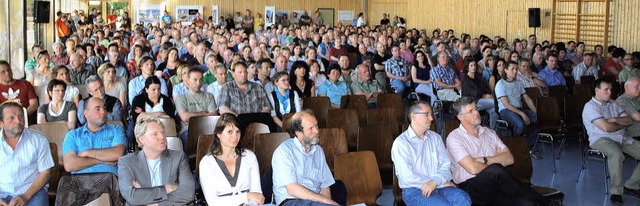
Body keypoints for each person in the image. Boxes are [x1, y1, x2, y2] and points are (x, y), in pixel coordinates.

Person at [446, 97, 554, 205]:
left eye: (476, 109)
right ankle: (544, 202)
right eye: (471, 111)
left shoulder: (489, 132)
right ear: (460, 117)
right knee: (495, 169)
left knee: (527, 203)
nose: (476, 113)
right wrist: (496, 161)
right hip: (472, 187)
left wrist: (483, 160)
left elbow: (510, 159)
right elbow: (473, 169)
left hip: (497, 184)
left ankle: (537, 201)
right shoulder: (454, 138)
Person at [392, 101, 471, 205]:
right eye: (427, 114)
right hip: (415, 189)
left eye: (431, 114)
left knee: (463, 199)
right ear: (413, 116)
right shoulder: (401, 143)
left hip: (439, 185)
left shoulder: (435, 138)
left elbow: (446, 165)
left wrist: (435, 182)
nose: (431, 118)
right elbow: (407, 177)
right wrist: (436, 182)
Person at [584, 79, 640, 205]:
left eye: (610, 89)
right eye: (606, 90)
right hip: (600, 139)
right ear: (597, 90)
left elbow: (630, 121)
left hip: (620, 137)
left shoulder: (613, 103)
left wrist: (614, 119)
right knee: (616, 154)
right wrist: (621, 124)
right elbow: (606, 128)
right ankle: (616, 192)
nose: (610, 92)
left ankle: (631, 185)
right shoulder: (590, 107)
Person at [272, 110, 344, 205]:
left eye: (316, 126)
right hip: (292, 200)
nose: (317, 131)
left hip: (315, 200)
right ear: (299, 133)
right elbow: (292, 189)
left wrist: (328, 203)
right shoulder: (284, 151)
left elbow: (325, 186)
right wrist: (325, 201)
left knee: (340, 187)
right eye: (311, 128)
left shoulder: (318, 151)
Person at [117, 116, 195, 205]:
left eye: (163, 132)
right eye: (155, 134)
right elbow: (132, 197)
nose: (162, 137)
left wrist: (155, 203)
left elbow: (188, 193)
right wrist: (166, 188)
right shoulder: (127, 162)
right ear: (141, 139)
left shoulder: (178, 157)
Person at [200, 113, 265, 205]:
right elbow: (213, 202)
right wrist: (246, 196)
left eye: (237, 132)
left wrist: (250, 203)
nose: (235, 137)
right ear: (218, 134)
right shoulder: (207, 163)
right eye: (230, 132)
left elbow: (257, 195)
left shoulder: (250, 157)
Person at [0, 102, 54, 206]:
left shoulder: (39, 140)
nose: (18, 121)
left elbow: (45, 173)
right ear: (1, 123)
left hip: (32, 192)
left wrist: (26, 196)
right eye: (11, 118)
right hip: (3, 194)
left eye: (20, 116)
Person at [63, 97, 126, 175]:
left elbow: (117, 154)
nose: (103, 112)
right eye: (98, 109)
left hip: (109, 183)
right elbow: (69, 165)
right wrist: (102, 160)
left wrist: (88, 153)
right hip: (80, 183)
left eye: (104, 108)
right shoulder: (73, 135)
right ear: (86, 113)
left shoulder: (116, 130)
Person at [495, 61, 538, 147]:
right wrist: (522, 114)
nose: (515, 71)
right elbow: (506, 104)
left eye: (516, 69)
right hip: (506, 110)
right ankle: (515, 144)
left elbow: (527, 99)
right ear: (506, 70)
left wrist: (536, 112)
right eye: (512, 69)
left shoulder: (518, 83)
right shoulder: (500, 84)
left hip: (518, 109)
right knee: (520, 125)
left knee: (537, 119)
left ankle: (528, 144)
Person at [175, 67, 218, 150]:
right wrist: (204, 113)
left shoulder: (209, 96)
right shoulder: (181, 98)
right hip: (188, 130)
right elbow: (185, 117)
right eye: (195, 80)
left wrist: (193, 116)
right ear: (188, 80)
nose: (198, 83)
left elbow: (213, 116)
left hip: (208, 129)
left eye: (201, 80)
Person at [128, 76, 176, 143]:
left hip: (164, 127)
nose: (157, 92)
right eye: (153, 90)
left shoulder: (166, 100)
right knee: (130, 133)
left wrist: (144, 114)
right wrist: (161, 114)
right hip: (144, 127)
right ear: (146, 89)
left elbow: (171, 117)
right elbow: (137, 118)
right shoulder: (138, 100)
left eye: (159, 89)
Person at [460, 59, 497, 129]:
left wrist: (488, 94)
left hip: (481, 99)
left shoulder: (478, 76)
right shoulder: (465, 78)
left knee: (493, 109)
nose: (473, 67)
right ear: (467, 67)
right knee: (493, 102)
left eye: (474, 65)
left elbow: (485, 87)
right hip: (471, 102)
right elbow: (472, 93)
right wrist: (484, 95)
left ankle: (493, 130)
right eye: (471, 65)